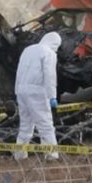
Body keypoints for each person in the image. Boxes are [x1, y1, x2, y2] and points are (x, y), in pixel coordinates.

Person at [13, 32, 62, 160]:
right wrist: (52, 96)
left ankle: (19, 154)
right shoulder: (49, 53)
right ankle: (51, 155)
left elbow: (19, 70)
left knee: (25, 125)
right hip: (37, 91)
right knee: (45, 124)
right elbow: (49, 76)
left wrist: (17, 90)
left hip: (22, 90)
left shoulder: (28, 49)